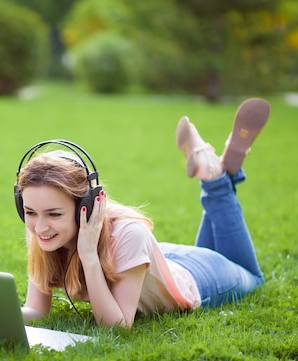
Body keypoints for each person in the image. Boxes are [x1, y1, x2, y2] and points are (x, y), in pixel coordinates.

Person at [15, 98, 270, 328]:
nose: (40, 227)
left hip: (200, 277)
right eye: (30, 212)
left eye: (54, 214)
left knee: (253, 278)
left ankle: (214, 177)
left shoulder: (128, 233)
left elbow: (118, 325)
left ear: (86, 205)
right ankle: (214, 172)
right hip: (152, 261)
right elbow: (37, 310)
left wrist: (89, 256)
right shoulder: (41, 230)